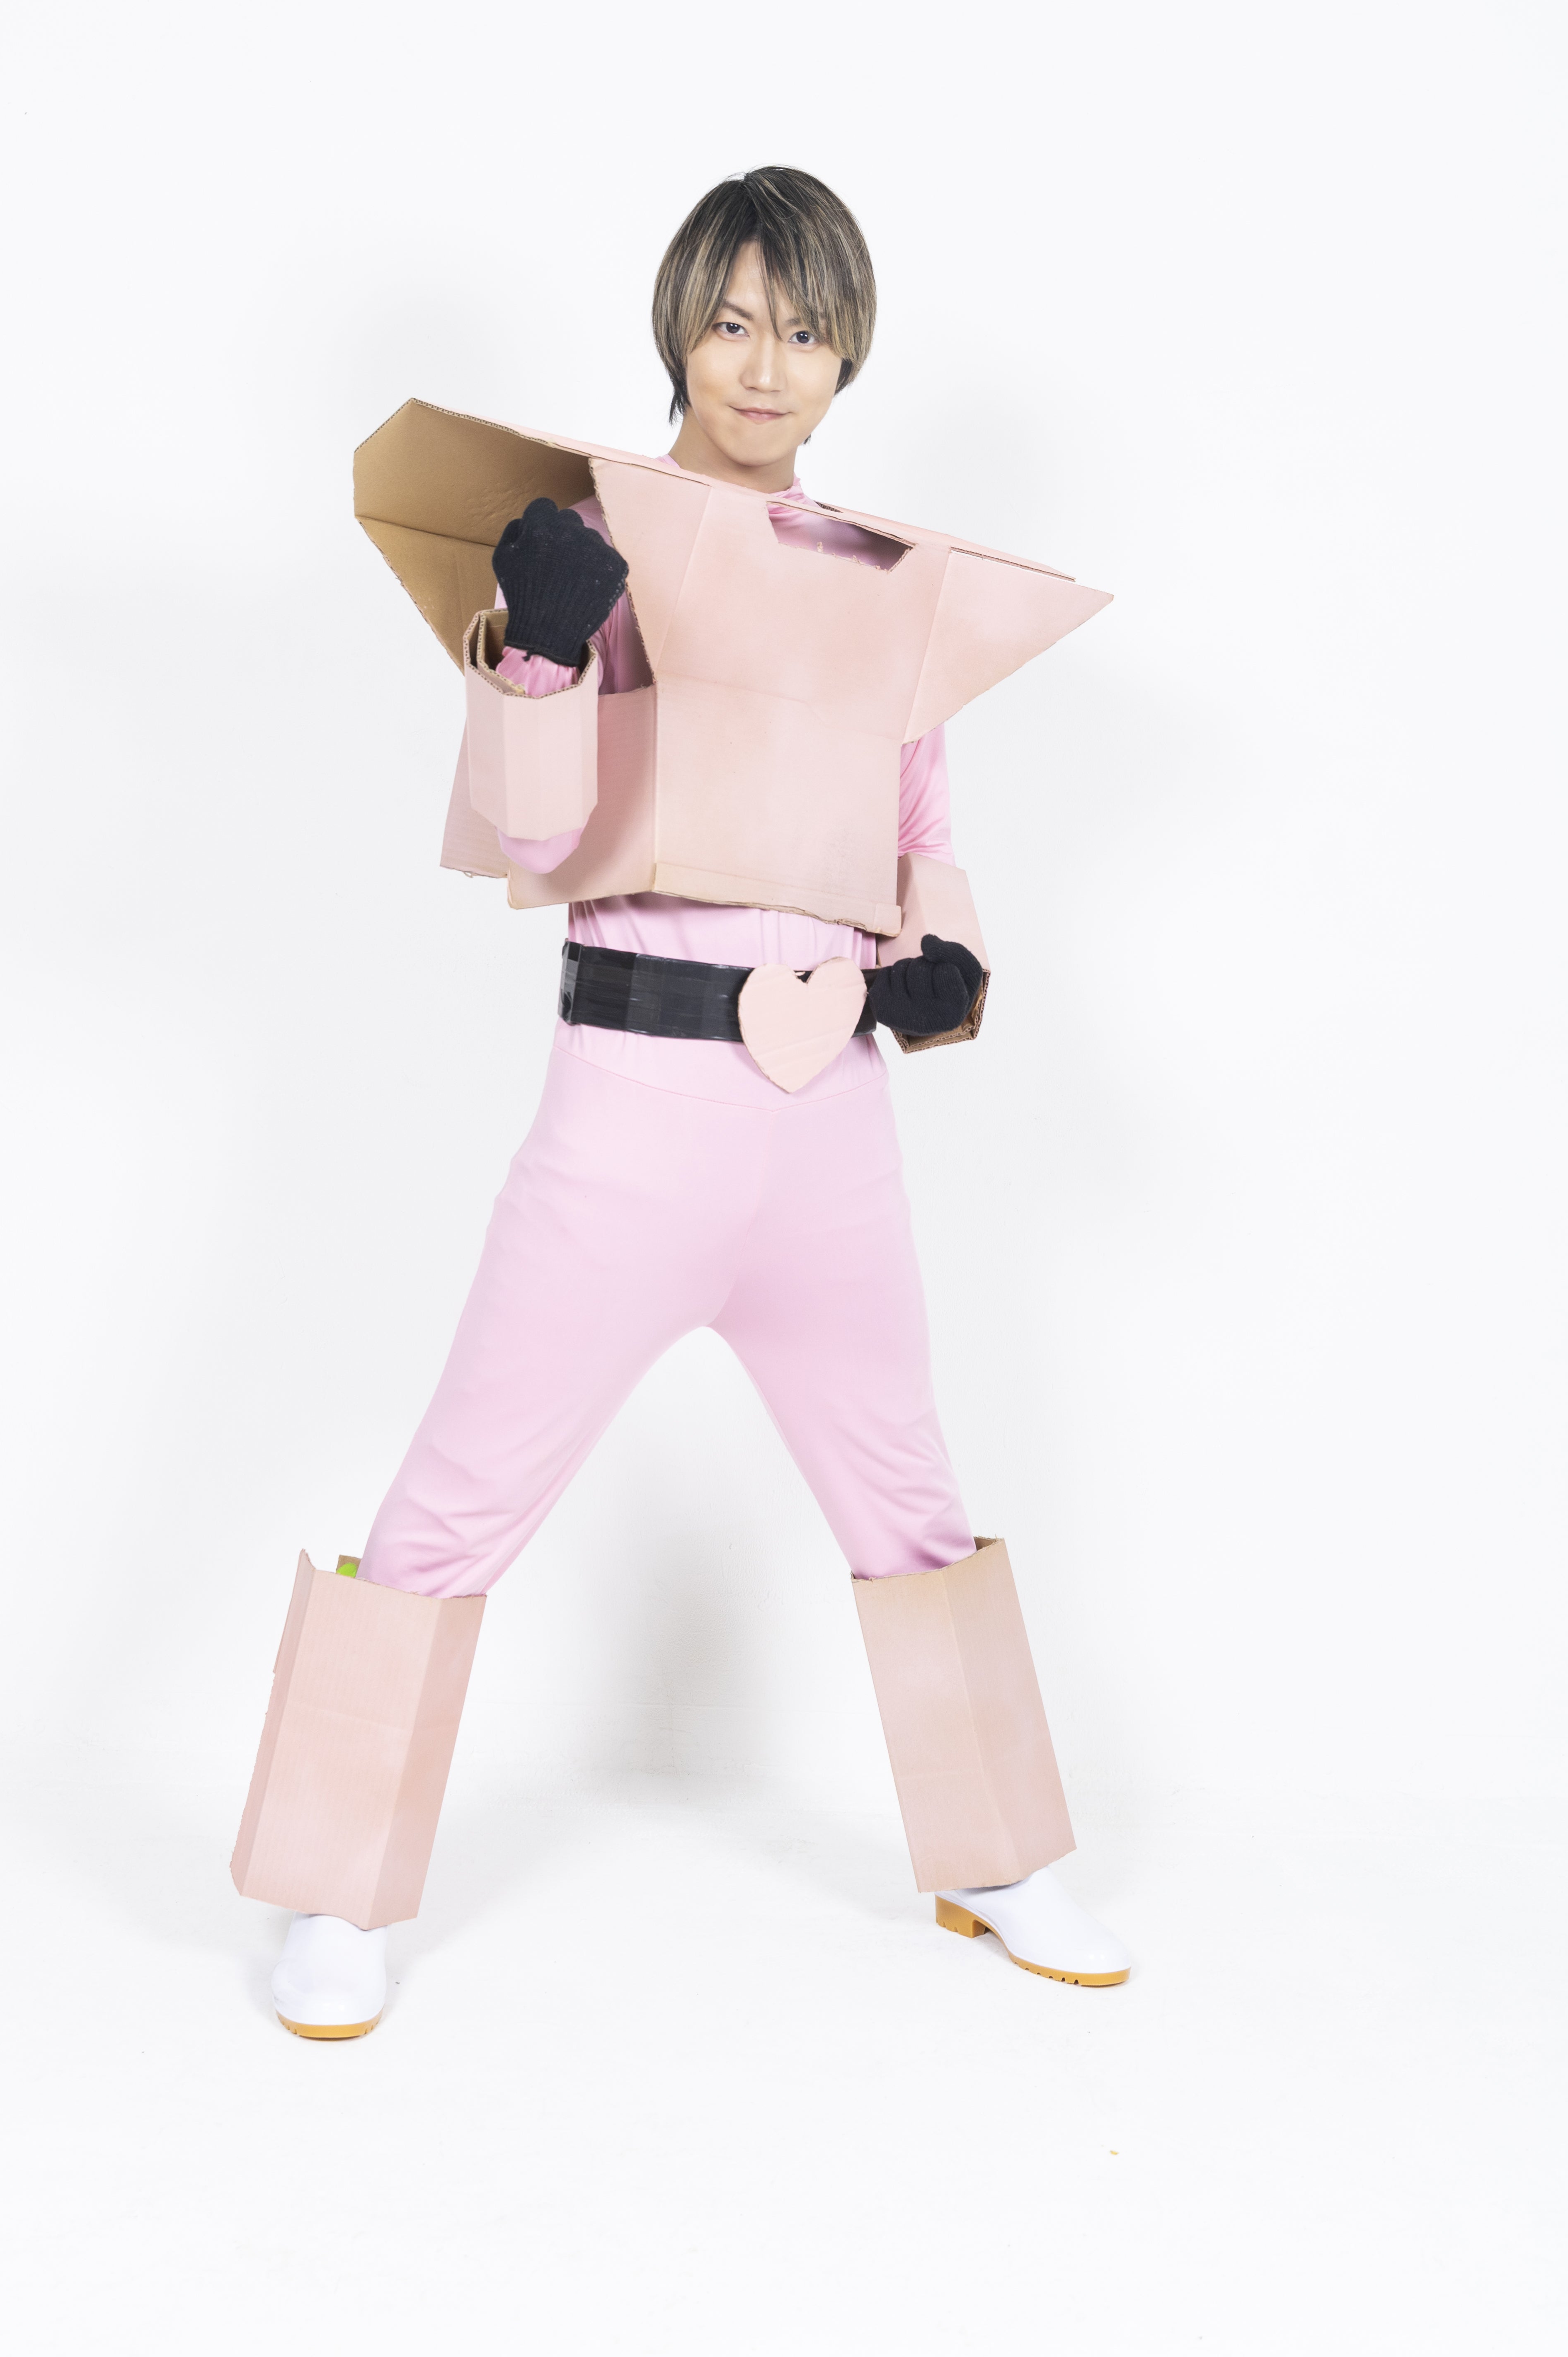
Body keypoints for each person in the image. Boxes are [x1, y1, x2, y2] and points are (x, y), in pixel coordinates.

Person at [240, 167, 1130, 2037]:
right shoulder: (595, 536)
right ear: (678, 330)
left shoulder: (888, 583)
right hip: (630, 1108)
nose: (764, 364)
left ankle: (990, 1853)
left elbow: (922, 835)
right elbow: (536, 832)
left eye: (803, 329)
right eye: (731, 321)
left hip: (830, 1119)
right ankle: (331, 1882)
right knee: (460, 1492)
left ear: (847, 355)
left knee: (908, 1496)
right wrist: (545, 646)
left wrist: (947, 959)